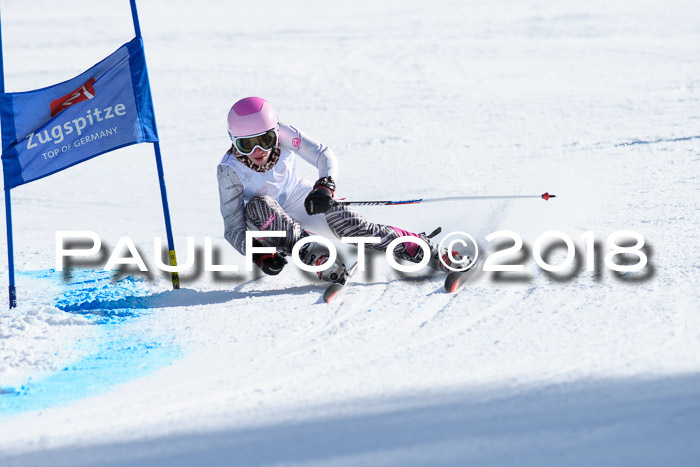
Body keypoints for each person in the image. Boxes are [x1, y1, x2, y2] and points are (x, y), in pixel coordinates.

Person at [217, 96, 463, 283]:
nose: (258, 151)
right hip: (265, 223)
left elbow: (323, 154)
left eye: (266, 140)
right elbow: (233, 230)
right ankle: (319, 259)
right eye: (247, 145)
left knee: (356, 228)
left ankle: (424, 249)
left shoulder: (285, 134)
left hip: (298, 200)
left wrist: (325, 185)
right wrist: (259, 253)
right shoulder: (230, 171)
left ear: (275, 132)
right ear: (233, 141)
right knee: (258, 204)